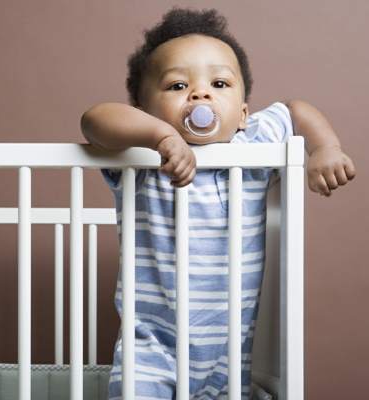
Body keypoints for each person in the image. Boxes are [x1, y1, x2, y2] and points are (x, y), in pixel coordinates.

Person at [80, 7, 355, 400]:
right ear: (143, 114)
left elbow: (295, 109)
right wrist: (161, 138)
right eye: (176, 86)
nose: (200, 93)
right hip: (151, 345)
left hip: (228, 352)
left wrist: (326, 148)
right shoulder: (144, 159)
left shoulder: (254, 147)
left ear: (244, 114)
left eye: (220, 83)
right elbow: (94, 120)